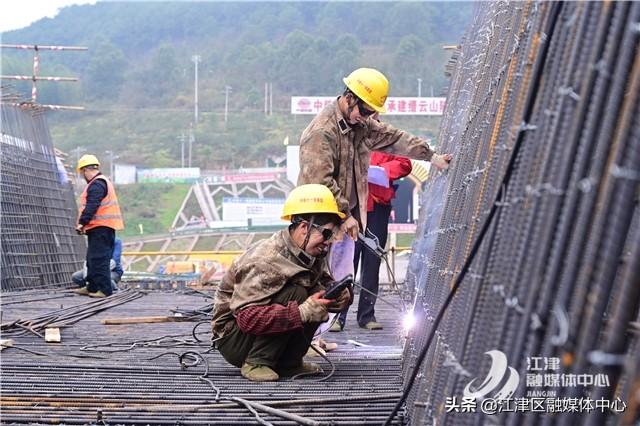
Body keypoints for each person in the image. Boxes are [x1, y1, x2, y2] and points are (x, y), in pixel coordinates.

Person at [297, 67, 452, 298]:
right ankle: (308, 334)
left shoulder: (359, 125)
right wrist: (345, 215)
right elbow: (320, 183)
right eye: (365, 110)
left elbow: (394, 137)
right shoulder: (322, 132)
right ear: (349, 98)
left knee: (334, 284)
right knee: (310, 281)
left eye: (371, 113)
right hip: (315, 222)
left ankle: (320, 332)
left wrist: (432, 156)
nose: (367, 117)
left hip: (341, 222)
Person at [211, 184, 352, 382]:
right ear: (304, 228)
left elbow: (320, 282)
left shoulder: (309, 252)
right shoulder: (266, 260)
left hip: (250, 330)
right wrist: (302, 312)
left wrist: (338, 295)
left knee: (317, 293)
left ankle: (289, 363)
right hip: (234, 338)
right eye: (327, 234)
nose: (329, 242)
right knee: (297, 293)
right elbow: (247, 318)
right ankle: (256, 362)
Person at [332, 152, 412, 331]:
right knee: (346, 261)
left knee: (372, 260)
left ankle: (367, 315)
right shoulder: (349, 140)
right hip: (351, 209)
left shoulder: (388, 141)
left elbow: (405, 164)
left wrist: (382, 171)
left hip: (377, 209)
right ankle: (338, 315)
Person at [74, 154, 124, 298]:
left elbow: (92, 205)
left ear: (84, 170)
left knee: (100, 259)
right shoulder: (100, 182)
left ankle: (104, 289)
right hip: (98, 227)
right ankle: (92, 286)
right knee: (92, 258)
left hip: (101, 227)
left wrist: (82, 222)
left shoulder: (97, 184)